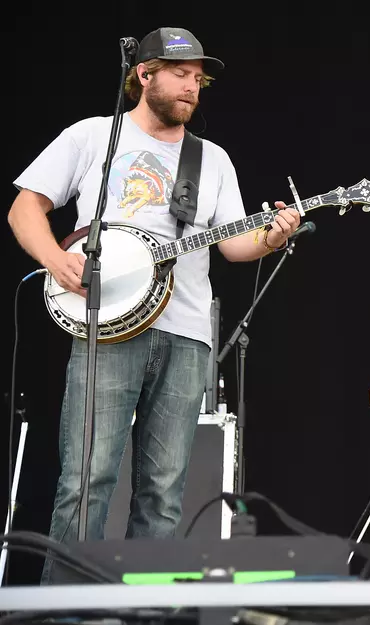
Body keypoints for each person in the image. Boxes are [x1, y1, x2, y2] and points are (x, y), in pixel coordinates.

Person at [7, 27, 300, 581]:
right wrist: (54, 258)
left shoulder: (211, 159)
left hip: (187, 333)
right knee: (86, 479)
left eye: (198, 79)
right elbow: (26, 207)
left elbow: (236, 244)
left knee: (164, 493)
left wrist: (275, 234)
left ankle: (141, 611)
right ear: (144, 75)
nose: (193, 87)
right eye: (181, 74)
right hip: (105, 328)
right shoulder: (94, 136)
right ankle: (68, 614)